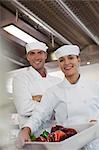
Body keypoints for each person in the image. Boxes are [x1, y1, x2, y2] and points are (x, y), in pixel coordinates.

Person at [17, 45, 99, 149]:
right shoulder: (53, 92)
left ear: (78, 60)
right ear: (59, 64)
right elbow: (39, 115)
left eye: (70, 57)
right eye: (61, 60)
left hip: (94, 143)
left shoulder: (95, 86)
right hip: (68, 144)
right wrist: (26, 129)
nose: (66, 63)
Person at [13, 41, 61, 128]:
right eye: (32, 53)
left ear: (45, 56)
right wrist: (51, 104)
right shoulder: (20, 79)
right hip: (32, 134)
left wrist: (39, 99)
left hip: (55, 133)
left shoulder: (57, 81)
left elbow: (63, 108)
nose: (36, 57)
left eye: (40, 53)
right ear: (28, 57)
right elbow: (24, 108)